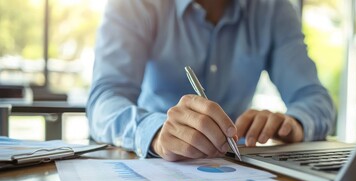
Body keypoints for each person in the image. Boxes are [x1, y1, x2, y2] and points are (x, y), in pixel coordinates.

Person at [87, 0, 335, 161]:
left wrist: (293, 123)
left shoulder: (273, 9)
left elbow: (315, 99)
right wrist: (155, 131)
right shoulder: (134, 5)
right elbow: (103, 101)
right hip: (156, 162)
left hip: (236, 164)